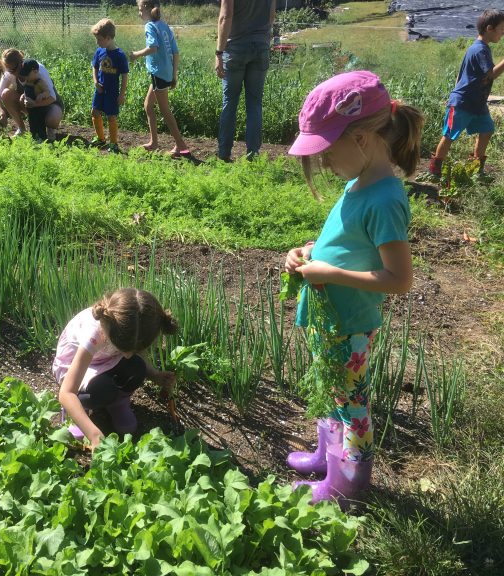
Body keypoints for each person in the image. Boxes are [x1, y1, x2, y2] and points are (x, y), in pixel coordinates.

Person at [284, 71, 424, 506]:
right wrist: (307, 251)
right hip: (332, 322)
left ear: (362, 139)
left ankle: (348, 485)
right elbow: (347, 245)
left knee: (353, 406)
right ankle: (328, 456)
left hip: (351, 327)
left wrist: (329, 274)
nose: (324, 163)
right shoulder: (358, 184)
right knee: (333, 390)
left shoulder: (385, 200)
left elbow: (399, 279)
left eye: (327, 152)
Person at [54, 288, 178, 450]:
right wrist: (94, 435)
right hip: (75, 366)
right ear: (111, 331)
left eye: (134, 350)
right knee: (101, 390)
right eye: (125, 348)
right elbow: (66, 392)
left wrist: (155, 375)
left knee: (137, 367)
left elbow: (131, 356)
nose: (128, 355)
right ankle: (78, 411)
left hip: (107, 359)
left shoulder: (134, 322)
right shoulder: (93, 333)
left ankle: (117, 403)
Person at [428, 9, 504, 181]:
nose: (503, 32)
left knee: (487, 129)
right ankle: (434, 170)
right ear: (489, 28)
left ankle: (476, 167)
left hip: (476, 102)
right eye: (501, 29)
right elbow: (491, 74)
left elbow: (460, 75)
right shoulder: (479, 50)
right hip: (463, 102)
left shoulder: (479, 48)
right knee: (449, 135)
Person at [215, 0, 276, 162]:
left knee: (230, 103)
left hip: (235, 48)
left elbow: (225, 18)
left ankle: (224, 154)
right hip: (260, 47)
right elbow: (271, 16)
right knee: (254, 104)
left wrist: (219, 53)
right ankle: (252, 155)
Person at [129, 0, 191, 158]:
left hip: (158, 73)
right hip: (166, 72)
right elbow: (175, 53)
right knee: (148, 105)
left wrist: (136, 54)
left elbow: (153, 47)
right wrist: (174, 75)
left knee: (165, 110)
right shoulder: (164, 26)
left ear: (148, 8)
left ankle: (181, 147)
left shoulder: (150, 26)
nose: (139, 13)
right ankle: (154, 142)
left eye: (140, 9)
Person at [0, 49, 63, 139]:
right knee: (6, 94)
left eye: (12, 70)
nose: (9, 72)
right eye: (7, 69)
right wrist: (2, 112)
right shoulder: (9, 72)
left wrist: (35, 103)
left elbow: (52, 97)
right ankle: (22, 129)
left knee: (52, 119)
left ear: (20, 64)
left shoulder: (37, 69)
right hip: (29, 104)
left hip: (49, 103)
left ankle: (49, 130)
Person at [90, 18, 129, 154]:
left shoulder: (120, 56)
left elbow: (124, 76)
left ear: (108, 38)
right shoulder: (99, 51)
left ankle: (114, 144)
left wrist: (122, 94)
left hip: (112, 92)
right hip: (99, 90)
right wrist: (96, 82)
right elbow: (94, 67)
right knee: (94, 112)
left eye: (99, 39)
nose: (97, 42)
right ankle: (101, 139)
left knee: (111, 116)